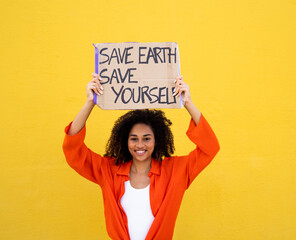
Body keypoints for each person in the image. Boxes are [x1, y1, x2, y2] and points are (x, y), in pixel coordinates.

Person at [63, 73, 220, 240]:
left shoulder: (176, 171)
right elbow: (73, 150)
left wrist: (187, 102)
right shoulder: (108, 171)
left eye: (146, 138)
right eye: (133, 139)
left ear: (156, 140)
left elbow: (210, 147)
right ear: (125, 141)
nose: (140, 145)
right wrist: (90, 103)